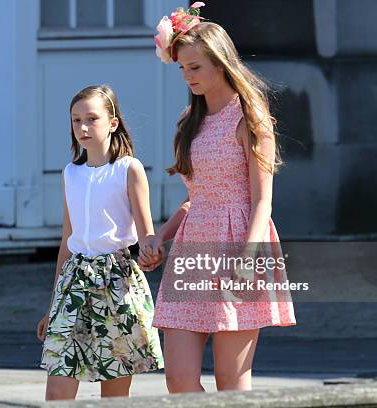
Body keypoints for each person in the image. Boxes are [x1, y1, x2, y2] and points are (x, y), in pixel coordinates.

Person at [139, 2, 296, 393]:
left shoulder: (250, 116)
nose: (187, 76)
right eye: (182, 68)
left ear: (221, 64)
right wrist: (161, 236)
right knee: (178, 380)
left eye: (195, 67)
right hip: (192, 248)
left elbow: (263, 201)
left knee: (231, 382)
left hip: (240, 244)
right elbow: (196, 199)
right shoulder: (186, 122)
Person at [36, 85, 163, 400]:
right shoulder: (70, 173)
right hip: (74, 282)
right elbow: (67, 240)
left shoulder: (128, 169)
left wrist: (152, 249)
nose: (82, 127)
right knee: (58, 388)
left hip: (116, 282)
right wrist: (53, 304)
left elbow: (146, 231)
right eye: (76, 120)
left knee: (115, 394)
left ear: (113, 123)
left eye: (92, 119)